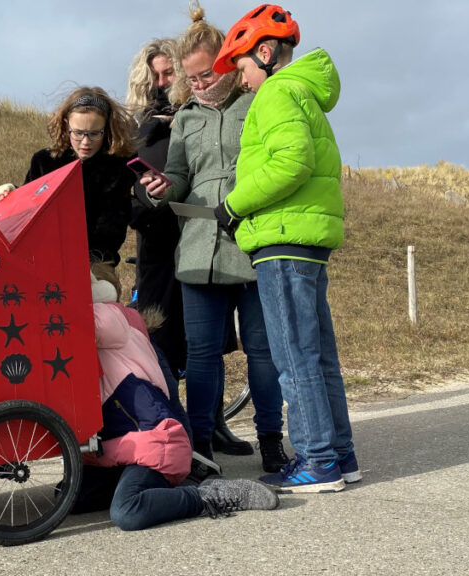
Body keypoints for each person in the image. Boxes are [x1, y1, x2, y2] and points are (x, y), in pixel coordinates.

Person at [210, 4, 360, 493]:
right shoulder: (303, 92)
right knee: (319, 357)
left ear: (266, 53)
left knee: (295, 358)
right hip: (305, 240)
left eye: (242, 67)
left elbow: (293, 160)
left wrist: (233, 205)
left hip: (282, 241)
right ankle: (339, 456)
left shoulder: (275, 93)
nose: (242, 80)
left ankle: (317, 461)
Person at [142, 5, 287, 474]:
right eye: (191, 79)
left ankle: (271, 442)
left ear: (226, 62)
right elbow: (180, 176)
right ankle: (201, 447)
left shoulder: (258, 101)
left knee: (262, 352)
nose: (200, 85)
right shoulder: (185, 118)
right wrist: (163, 188)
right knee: (202, 356)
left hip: (251, 243)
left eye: (206, 74)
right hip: (199, 250)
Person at [75, 265, 278, 530]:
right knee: (71, 498)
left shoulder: (108, 316)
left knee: (127, 511)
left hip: (151, 444)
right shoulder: (115, 325)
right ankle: (175, 482)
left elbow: (84, 322)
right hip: (119, 449)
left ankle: (208, 496)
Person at [124, 38, 188, 378]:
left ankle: (208, 414)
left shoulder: (196, 119)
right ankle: (167, 410)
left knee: (201, 344)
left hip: (193, 241)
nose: (161, 83)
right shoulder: (138, 130)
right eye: (154, 77)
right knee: (158, 341)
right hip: (154, 249)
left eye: (168, 73)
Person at [23, 87, 135, 266]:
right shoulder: (43, 161)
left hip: (98, 260)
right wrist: (11, 193)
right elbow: (26, 209)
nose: (86, 142)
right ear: (66, 125)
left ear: (106, 130)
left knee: (99, 285)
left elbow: (116, 222)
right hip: (45, 258)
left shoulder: (120, 165)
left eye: (94, 133)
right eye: (78, 133)